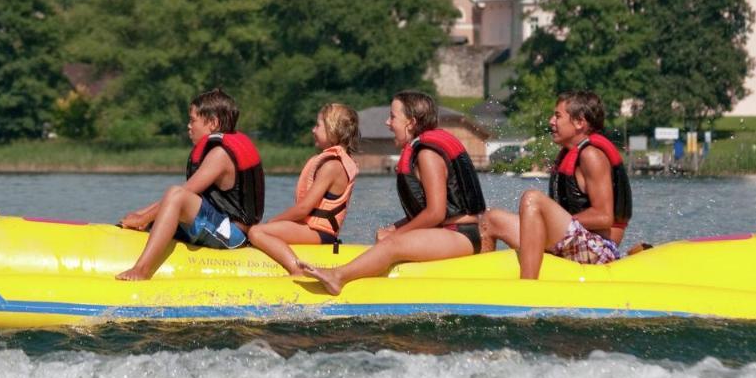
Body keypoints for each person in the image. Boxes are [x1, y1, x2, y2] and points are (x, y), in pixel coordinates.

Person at [300, 91, 486, 295]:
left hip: (460, 235)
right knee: (388, 236)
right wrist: (393, 227)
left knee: (393, 243)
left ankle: (338, 277)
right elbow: (429, 213)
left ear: (411, 122)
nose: (388, 123)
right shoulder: (422, 150)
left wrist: (396, 235)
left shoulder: (427, 154)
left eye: (393, 116)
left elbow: (435, 213)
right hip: (448, 232)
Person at [481, 90, 632, 279]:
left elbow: (604, 217)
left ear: (579, 122)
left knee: (532, 199)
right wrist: (549, 223)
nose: (551, 121)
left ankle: (527, 287)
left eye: (558, 116)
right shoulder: (571, 154)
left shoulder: (591, 156)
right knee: (491, 219)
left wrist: (550, 222)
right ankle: (479, 282)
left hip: (599, 249)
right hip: (574, 238)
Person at [116, 88, 264, 280]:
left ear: (213, 123)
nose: (188, 126)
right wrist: (142, 215)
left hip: (232, 235)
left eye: (193, 120)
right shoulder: (218, 150)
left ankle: (142, 270)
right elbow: (176, 200)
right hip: (218, 223)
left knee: (176, 194)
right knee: (161, 205)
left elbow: (182, 195)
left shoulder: (220, 155)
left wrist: (143, 218)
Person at [247, 103, 360, 275]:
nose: (313, 130)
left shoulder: (333, 166)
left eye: (318, 125)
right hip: (312, 230)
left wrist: (272, 222)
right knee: (262, 229)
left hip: (320, 233)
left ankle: (296, 269)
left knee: (256, 231)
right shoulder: (331, 162)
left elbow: (303, 209)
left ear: (333, 129)